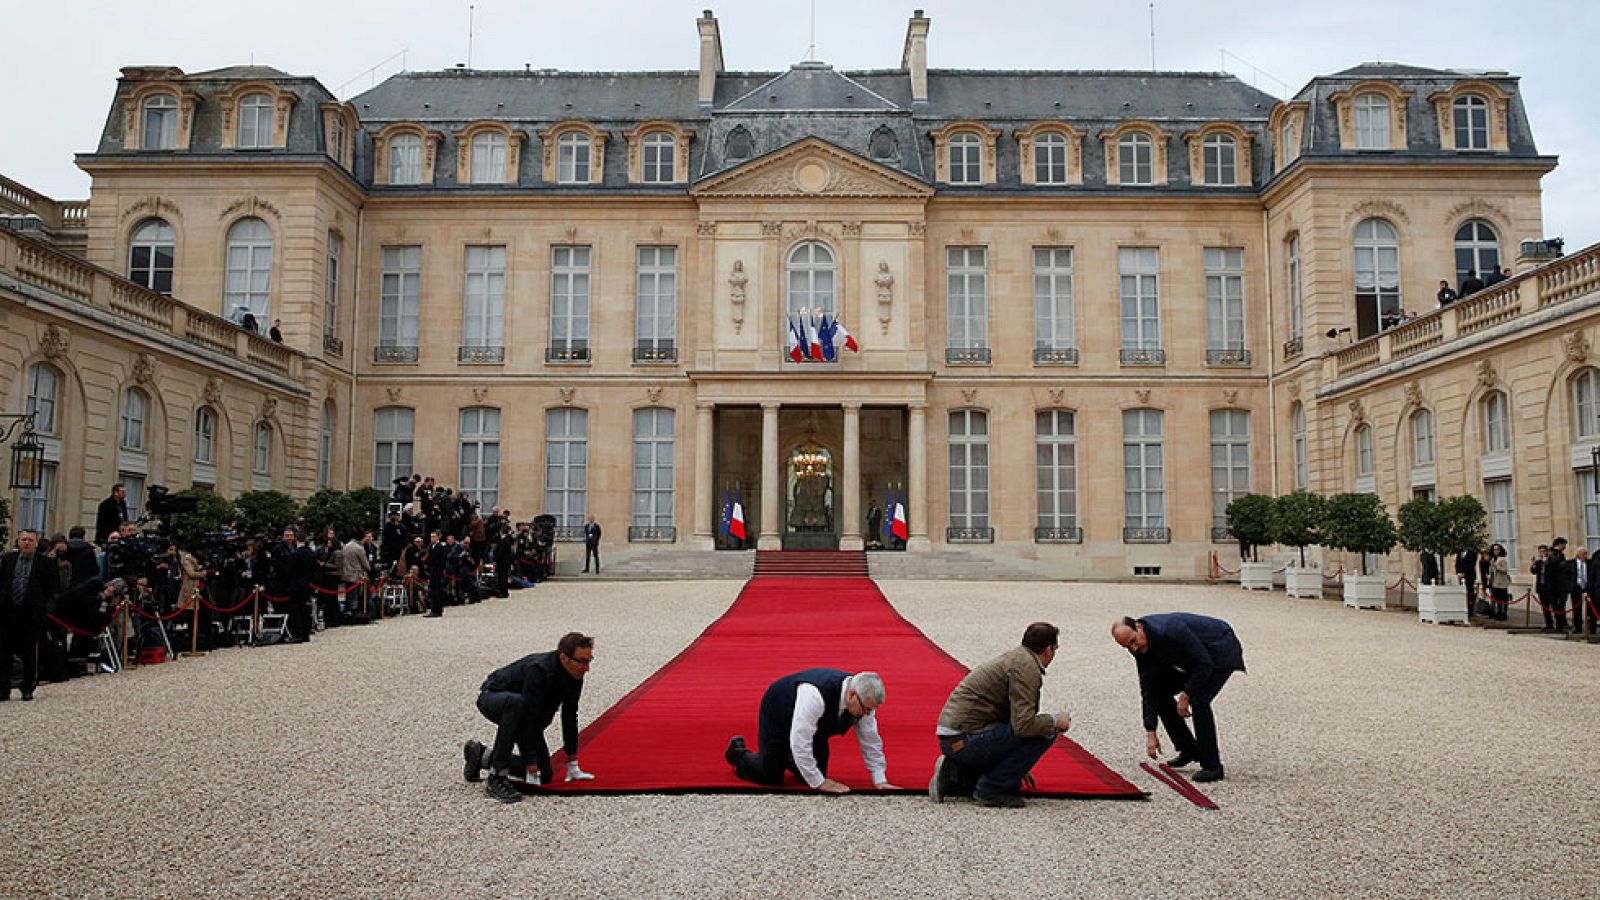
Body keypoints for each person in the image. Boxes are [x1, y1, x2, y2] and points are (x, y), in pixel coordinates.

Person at [929, 622, 1071, 808]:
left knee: (1034, 730)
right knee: (1046, 731)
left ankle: (956, 773)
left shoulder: (1017, 658)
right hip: (964, 740)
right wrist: (1055, 720)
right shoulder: (1027, 667)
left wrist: (1016, 762)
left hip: (955, 738)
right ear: (1048, 649)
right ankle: (992, 788)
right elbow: (1023, 725)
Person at [462, 632, 596, 803]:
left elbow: (570, 715)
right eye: (582, 661)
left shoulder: (575, 674)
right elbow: (529, 717)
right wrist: (530, 759)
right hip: (494, 698)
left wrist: (572, 758)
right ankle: (497, 776)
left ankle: (481, 755)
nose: (587, 668)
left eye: (589, 661)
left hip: (524, 714)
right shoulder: (539, 669)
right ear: (564, 658)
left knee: (544, 774)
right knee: (517, 704)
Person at [1112, 612, 1246, 783]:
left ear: (1138, 626)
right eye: (1127, 647)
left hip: (1220, 648)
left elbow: (1204, 663)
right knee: (1160, 693)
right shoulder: (1140, 645)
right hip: (1196, 660)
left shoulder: (1170, 630)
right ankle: (1189, 749)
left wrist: (1186, 693)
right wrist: (1150, 730)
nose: (1133, 649)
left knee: (1199, 700)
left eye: (1133, 641)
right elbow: (1148, 688)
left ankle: (1212, 767)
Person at [725, 669, 896, 794]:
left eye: (871, 710)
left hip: (815, 726)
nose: (867, 714)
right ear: (851, 695)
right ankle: (738, 753)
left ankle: (788, 757)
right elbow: (800, 739)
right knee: (770, 776)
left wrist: (880, 779)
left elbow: (870, 740)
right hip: (779, 711)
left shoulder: (863, 702)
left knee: (813, 774)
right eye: (865, 709)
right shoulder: (814, 694)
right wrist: (819, 783)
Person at [1, 531, 69, 700]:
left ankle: (27, 687)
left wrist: (45, 610)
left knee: (29, 652)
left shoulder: (45, 563)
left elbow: (53, 589)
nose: (26, 543)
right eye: (23, 540)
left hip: (31, 613)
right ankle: (3, 688)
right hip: (8, 611)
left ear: (36, 543)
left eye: (30, 540)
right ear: (18, 542)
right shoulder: (7, 559)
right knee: (4, 652)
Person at [1487, 543, 1512, 621]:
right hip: (1494, 582)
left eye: (1497, 549)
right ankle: (1498, 613)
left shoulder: (1502, 559)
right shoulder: (1493, 559)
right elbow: (1491, 570)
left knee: (1503, 599)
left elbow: (1505, 570)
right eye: (1494, 550)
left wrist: (1496, 566)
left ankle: (1503, 614)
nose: (1496, 551)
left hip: (1502, 582)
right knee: (1496, 599)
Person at [1455, 548, 1480, 619]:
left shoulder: (1473, 553)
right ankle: (1463, 610)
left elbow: (1471, 565)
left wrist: (1464, 573)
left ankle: (1470, 612)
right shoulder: (1459, 552)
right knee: (1463, 593)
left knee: (1470, 594)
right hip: (1461, 577)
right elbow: (1457, 563)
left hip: (1469, 577)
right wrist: (1458, 573)